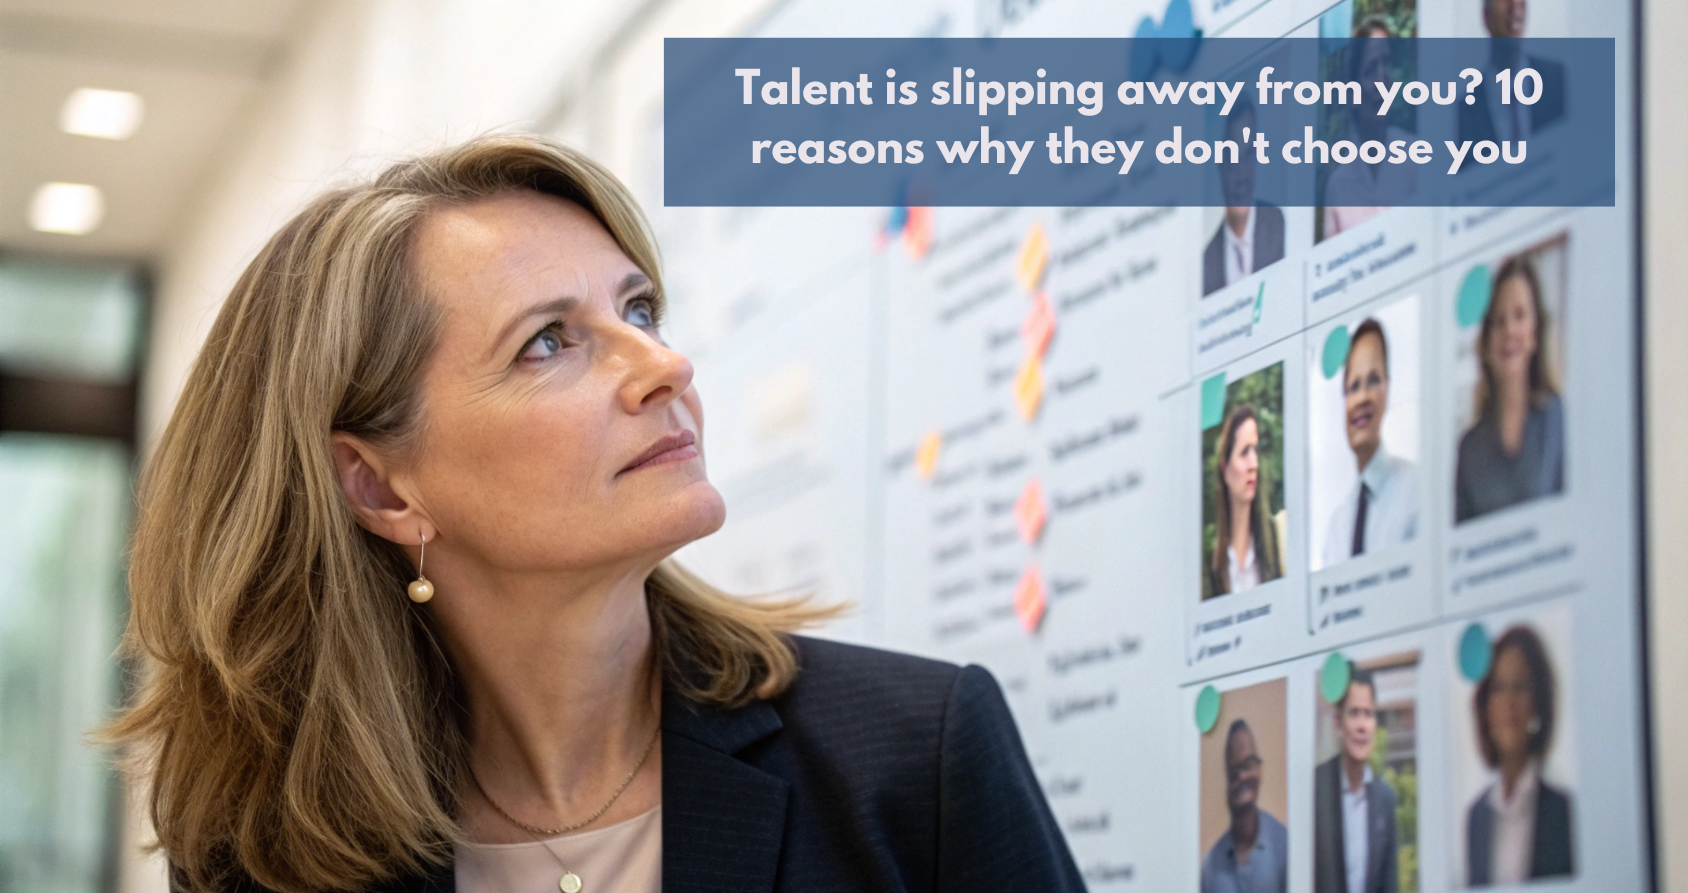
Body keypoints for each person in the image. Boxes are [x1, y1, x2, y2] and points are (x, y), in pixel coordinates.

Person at [99, 136, 1085, 893]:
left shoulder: (914, 753)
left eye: (640, 309)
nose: (664, 365)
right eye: (548, 342)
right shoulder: (268, 849)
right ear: (380, 488)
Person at [1454, 255, 1564, 522]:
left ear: (1535, 330)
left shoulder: (1558, 418)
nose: (1509, 330)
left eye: (1519, 315)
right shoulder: (1469, 449)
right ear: (1486, 341)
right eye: (1499, 320)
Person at [1465, 625, 1575, 885]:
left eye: (1520, 686)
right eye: (1499, 688)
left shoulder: (1564, 812)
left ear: (1538, 701)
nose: (1509, 702)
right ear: (1485, 707)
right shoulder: (1476, 817)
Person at [1321, 319, 1418, 568]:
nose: (1362, 397)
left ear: (1388, 388)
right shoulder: (1336, 528)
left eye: (1373, 380)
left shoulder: (1417, 490)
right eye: (1353, 387)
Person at [1321, 18, 1419, 238]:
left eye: (1387, 63)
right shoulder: (1338, 188)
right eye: (1370, 69)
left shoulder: (1417, 156)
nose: (1382, 78)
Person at [1314, 666, 1400, 893]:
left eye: (1368, 714)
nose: (1362, 726)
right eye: (1354, 713)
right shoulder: (1315, 787)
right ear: (1337, 723)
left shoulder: (1385, 798)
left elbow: (1389, 884)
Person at [1456, 0, 1566, 148]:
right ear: (1486, 16)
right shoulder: (1463, 113)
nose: (1515, 8)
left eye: (1521, 1)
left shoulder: (1557, 81)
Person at [1204, 100, 1286, 296]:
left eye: (1248, 155)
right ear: (1220, 168)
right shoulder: (1206, 262)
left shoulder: (1277, 226)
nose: (1241, 176)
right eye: (1232, 159)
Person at [1205, 404, 1285, 599]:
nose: (1254, 464)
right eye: (1244, 452)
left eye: (1255, 450)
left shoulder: (1275, 537)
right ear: (1225, 469)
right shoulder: (1211, 562)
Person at [1203, 719, 1289, 893]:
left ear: (1260, 771)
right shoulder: (1210, 867)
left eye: (1248, 764)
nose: (1242, 777)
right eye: (1235, 772)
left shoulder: (1285, 846)